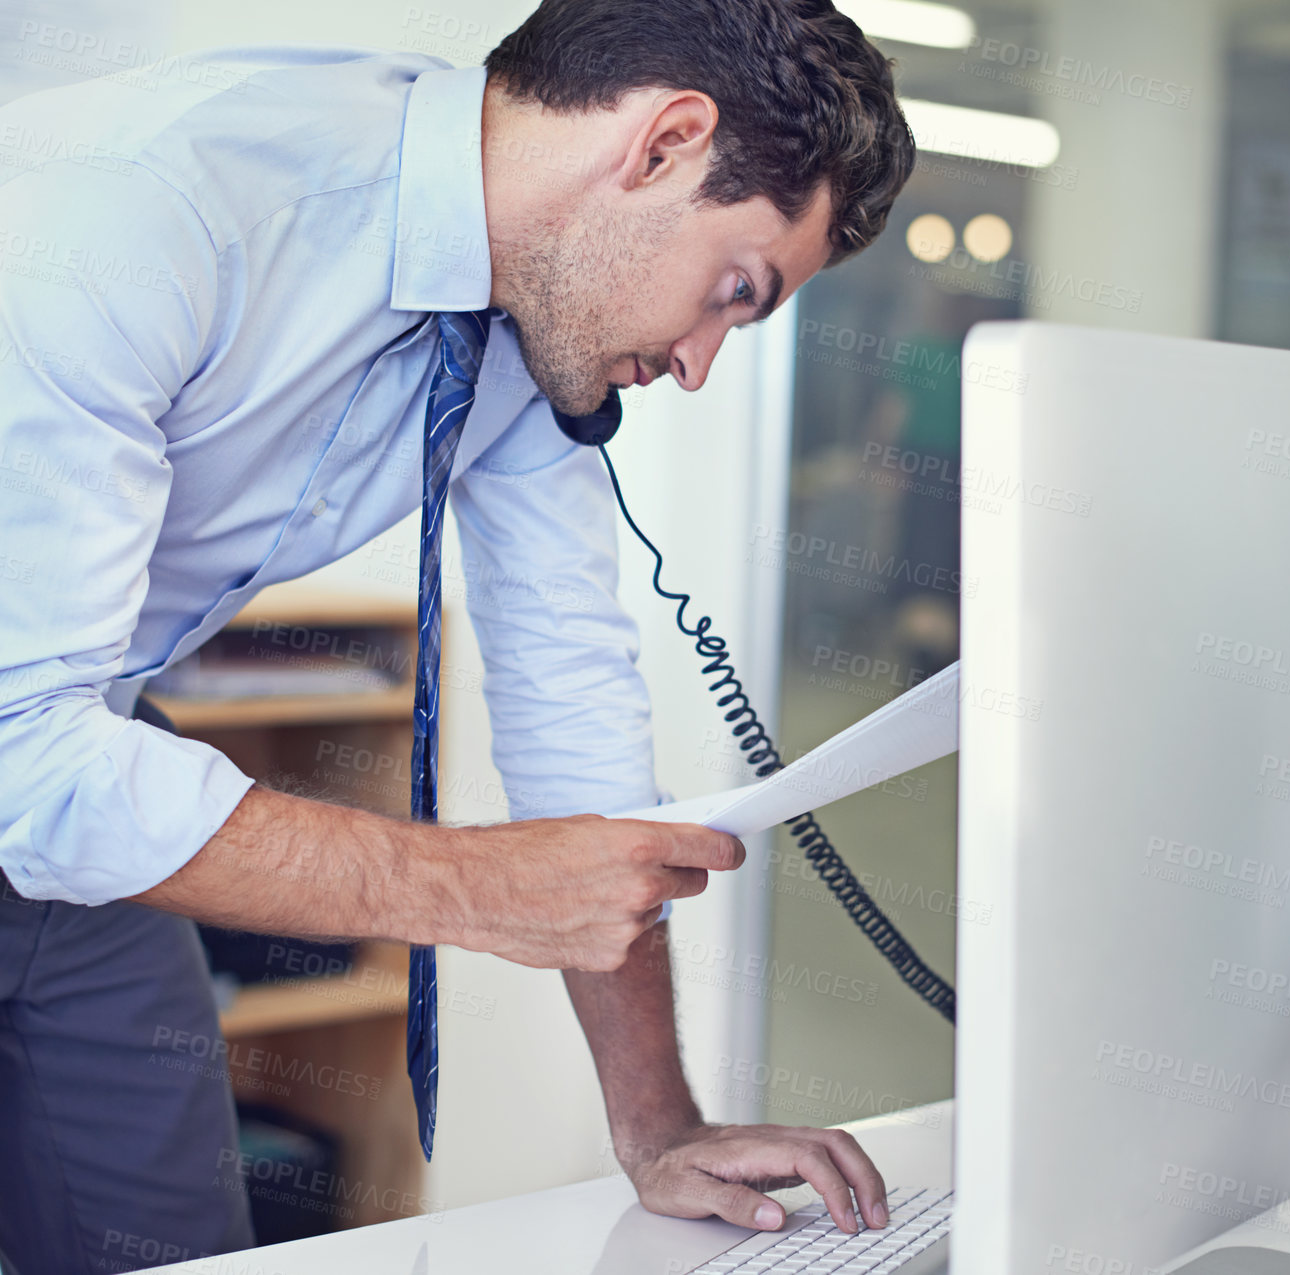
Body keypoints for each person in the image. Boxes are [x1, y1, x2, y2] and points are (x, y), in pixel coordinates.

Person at [0, 1, 915, 1270]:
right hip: (32, 747)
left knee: (169, 1244)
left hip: (69, 746)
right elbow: (19, 757)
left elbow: (569, 696)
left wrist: (657, 1129)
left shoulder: (533, 315)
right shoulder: (144, 208)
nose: (700, 363)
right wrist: (474, 885)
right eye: (731, 292)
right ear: (663, 144)